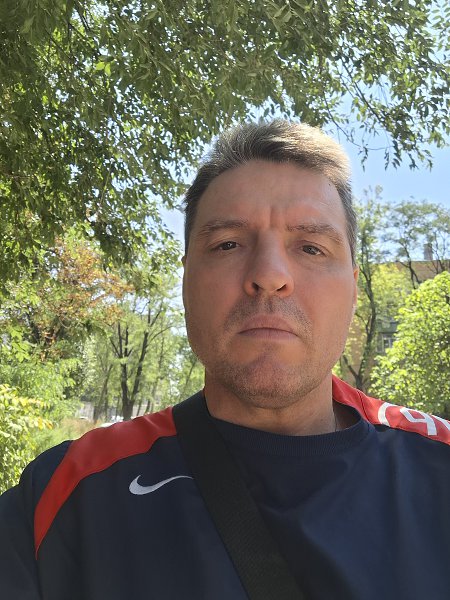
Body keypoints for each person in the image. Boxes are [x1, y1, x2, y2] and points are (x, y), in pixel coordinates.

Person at [1, 120, 449, 600]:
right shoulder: (64, 497)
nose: (269, 275)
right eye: (228, 244)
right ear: (186, 281)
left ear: (354, 290)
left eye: (312, 247)